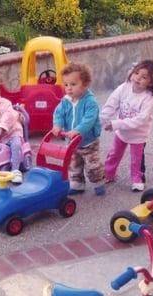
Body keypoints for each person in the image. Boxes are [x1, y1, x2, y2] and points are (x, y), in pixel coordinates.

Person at [100, 59, 153, 192]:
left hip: (138, 135)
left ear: (150, 82)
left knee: (136, 159)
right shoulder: (124, 87)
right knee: (114, 153)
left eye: (144, 77)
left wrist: (116, 124)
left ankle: (136, 179)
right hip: (121, 132)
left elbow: (140, 120)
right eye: (137, 72)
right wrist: (103, 119)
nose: (138, 78)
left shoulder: (148, 98)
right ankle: (109, 174)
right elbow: (111, 103)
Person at [50, 62, 105, 196]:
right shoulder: (66, 101)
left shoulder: (90, 101)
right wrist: (57, 125)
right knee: (74, 164)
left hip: (88, 142)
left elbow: (89, 120)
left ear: (85, 84)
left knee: (92, 166)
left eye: (73, 84)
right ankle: (77, 184)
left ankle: (98, 181)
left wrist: (77, 130)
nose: (68, 88)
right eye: (66, 84)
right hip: (71, 142)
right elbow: (59, 114)